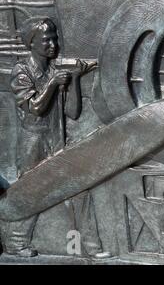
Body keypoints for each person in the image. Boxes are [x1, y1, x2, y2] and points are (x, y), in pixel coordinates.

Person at [2, 16, 109, 259]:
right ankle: (15, 245)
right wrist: (52, 83)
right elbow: (35, 108)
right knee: (29, 194)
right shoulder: (22, 71)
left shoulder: (53, 70)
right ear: (32, 43)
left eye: (55, 38)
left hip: (56, 139)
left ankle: (91, 247)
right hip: (33, 143)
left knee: (79, 190)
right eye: (46, 39)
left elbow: (72, 111)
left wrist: (76, 80)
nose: (53, 43)